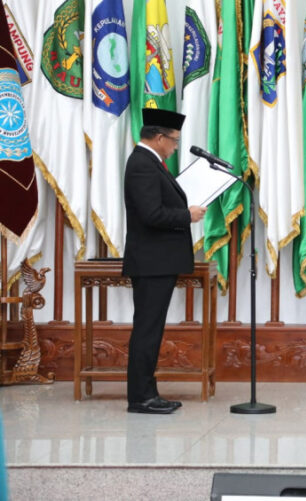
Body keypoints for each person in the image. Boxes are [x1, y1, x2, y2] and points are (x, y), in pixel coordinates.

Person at [122, 108, 206, 414]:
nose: (174, 147)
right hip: (152, 263)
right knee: (147, 329)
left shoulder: (149, 162)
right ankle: (141, 398)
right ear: (159, 138)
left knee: (150, 329)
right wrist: (188, 215)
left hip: (157, 262)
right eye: (173, 141)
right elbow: (151, 214)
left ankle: (147, 393)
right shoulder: (143, 164)